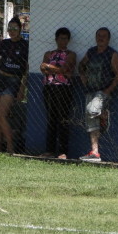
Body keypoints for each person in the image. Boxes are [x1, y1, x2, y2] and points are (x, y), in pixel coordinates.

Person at [78, 27, 118, 162]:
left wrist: (107, 91)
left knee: (91, 110)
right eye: (98, 35)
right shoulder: (91, 52)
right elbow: (81, 66)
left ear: (108, 39)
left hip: (103, 91)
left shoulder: (112, 54)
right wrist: (83, 78)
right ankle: (95, 152)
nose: (100, 38)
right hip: (90, 90)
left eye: (103, 36)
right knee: (91, 123)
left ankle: (104, 114)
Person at [0, 16, 29, 154]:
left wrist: (22, 88)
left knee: (2, 114)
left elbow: (27, 68)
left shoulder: (25, 45)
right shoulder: (4, 43)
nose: (12, 31)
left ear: (20, 29)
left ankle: (10, 147)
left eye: (15, 28)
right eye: (9, 28)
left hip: (13, 81)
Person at [40, 27, 76, 160]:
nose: (63, 41)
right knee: (51, 118)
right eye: (61, 38)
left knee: (63, 119)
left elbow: (66, 68)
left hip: (63, 88)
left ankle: (62, 151)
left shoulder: (71, 54)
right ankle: (49, 150)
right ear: (56, 39)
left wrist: (50, 68)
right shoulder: (49, 53)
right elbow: (42, 67)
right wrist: (59, 70)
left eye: (66, 39)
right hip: (49, 87)